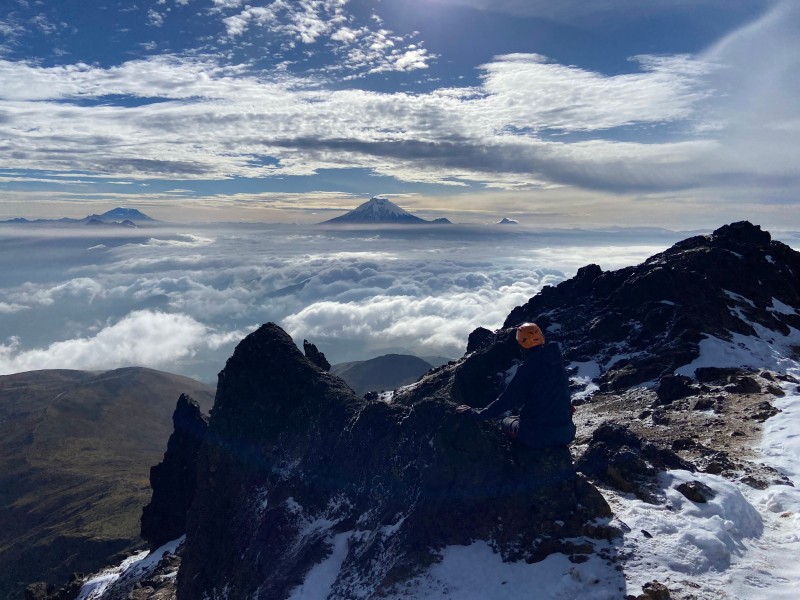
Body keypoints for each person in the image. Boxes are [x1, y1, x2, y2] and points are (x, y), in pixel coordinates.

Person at [456, 323, 576, 449]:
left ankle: (517, 458)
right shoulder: (557, 362)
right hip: (566, 433)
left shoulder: (529, 368)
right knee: (520, 418)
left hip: (538, 436)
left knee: (507, 422)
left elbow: (506, 401)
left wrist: (476, 414)